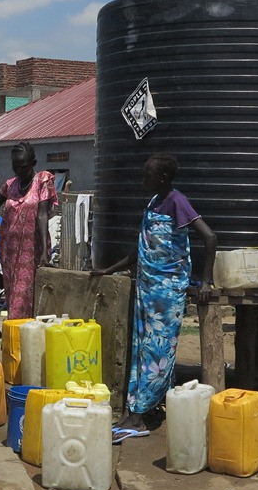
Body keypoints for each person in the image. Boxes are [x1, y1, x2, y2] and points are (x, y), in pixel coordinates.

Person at [92, 153, 217, 441]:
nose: (142, 179)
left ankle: (138, 419)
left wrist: (206, 281)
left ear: (163, 177)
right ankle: (138, 412)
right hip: (147, 289)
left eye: (147, 174)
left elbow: (210, 237)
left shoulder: (177, 201)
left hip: (166, 293)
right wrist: (109, 270)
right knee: (141, 352)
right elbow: (142, 248)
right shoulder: (153, 203)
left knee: (156, 353)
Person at [0, 142, 58, 318]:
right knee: (12, 291)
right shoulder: (10, 185)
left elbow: (42, 215)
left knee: (26, 293)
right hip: (9, 250)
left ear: (33, 163)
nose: (19, 171)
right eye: (15, 167)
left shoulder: (42, 181)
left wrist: (45, 251)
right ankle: (17, 331)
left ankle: (23, 329)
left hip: (32, 249)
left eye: (24, 166)